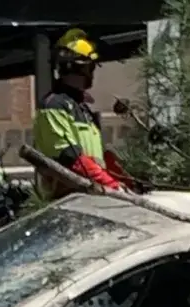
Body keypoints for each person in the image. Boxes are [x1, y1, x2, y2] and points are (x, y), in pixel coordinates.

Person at [32, 29, 128, 200]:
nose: (93, 73)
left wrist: (123, 180)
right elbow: (70, 159)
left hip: (90, 196)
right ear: (76, 67)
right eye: (90, 67)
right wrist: (111, 186)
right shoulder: (54, 107)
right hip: (67, 199)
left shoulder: (82, 108)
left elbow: (97, 158)